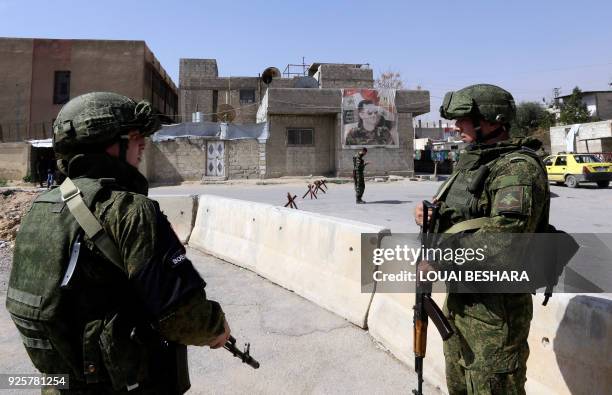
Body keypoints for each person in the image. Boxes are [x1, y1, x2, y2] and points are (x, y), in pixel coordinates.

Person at [7, 92, 231, 394]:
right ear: (106, 142)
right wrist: (217, 328)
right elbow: (180, 315)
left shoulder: (42, 205)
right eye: (135, 135)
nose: (143, 144)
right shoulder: (130, 210)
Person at [413, 84, 550, 395]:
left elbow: (505, 244)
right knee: (460, 386)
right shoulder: (474, 163)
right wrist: (429, 214)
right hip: (461, 305)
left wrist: (439, 261)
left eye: (465, 119)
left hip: (495, 314)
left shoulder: (517, 168)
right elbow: (459, 219)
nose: (456, 126)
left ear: (491, 119)